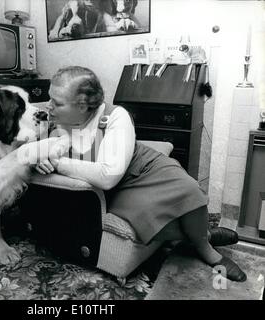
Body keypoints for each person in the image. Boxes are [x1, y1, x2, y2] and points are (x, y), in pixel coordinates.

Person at [35, 66, 246, 282]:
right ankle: (204, 236)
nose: (48, 106)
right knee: (148, 222)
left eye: (57, 103)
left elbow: (108, 174)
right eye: (50, 99)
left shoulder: (115, 116)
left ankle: (206, 250)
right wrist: (41, 156)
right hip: (115, 189)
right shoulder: (52, 121)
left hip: (142, 167)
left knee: (189, 188)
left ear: (81, 106)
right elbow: (30, 149)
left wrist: (58, 163)